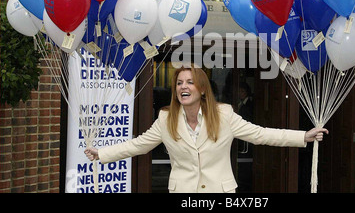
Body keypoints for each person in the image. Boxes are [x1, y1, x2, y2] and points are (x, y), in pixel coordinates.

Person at [85, 65, 328, 193]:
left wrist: (303, 136)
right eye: (179, 83)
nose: (183, 86)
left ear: (202, 89)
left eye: (190, 82)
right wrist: (103, 153)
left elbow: (261, 134)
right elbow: (138, 144)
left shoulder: (224, 114)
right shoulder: (165, 118)